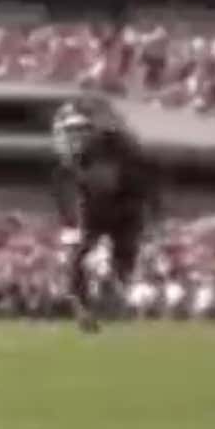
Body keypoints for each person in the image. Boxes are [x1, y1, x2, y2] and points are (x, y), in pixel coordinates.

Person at [51, 99, 160, 334]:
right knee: (78, 260)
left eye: (78, 131)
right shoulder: (70, 167)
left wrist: (150, 210)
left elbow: (139, 179)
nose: (73, 138)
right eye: (70, 132)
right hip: (98, 210)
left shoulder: (118, 147)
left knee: (121, 259)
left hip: (125, 208)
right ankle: (86, 305)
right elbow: (68, 197)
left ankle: (110, 290)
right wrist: (71, 221)